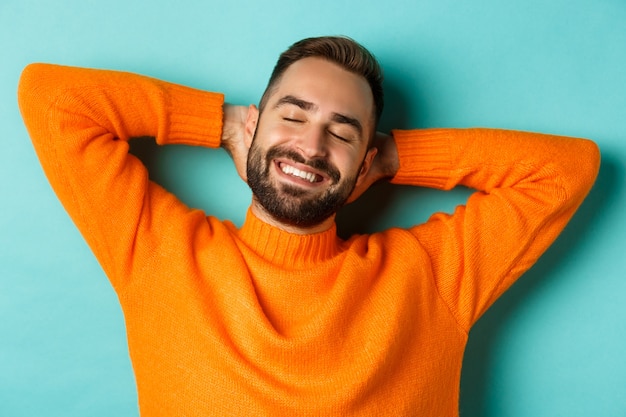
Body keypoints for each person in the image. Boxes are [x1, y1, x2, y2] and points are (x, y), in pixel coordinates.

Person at [18, 36, 600, 416]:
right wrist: (219, 124)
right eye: (292, 116)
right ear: (255, 127)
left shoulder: (430, 276)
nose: (311, 146)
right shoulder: (159, 252)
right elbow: (52, 100)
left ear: (365, 162)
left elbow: (567, 168)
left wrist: (395, 158)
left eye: (342, 133)